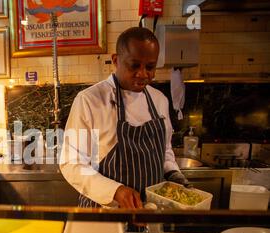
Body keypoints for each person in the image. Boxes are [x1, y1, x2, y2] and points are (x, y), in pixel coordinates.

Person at [60, 27, 190, 209]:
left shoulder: (159, 100)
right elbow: (71, 163)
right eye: (134, 65)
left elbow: (165, 149)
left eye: (150, 67)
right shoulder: (89, 100)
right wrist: (116, 191)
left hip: (149, 210)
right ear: (116, 60)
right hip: (104, 212)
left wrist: (173, 172)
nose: (143, 74)